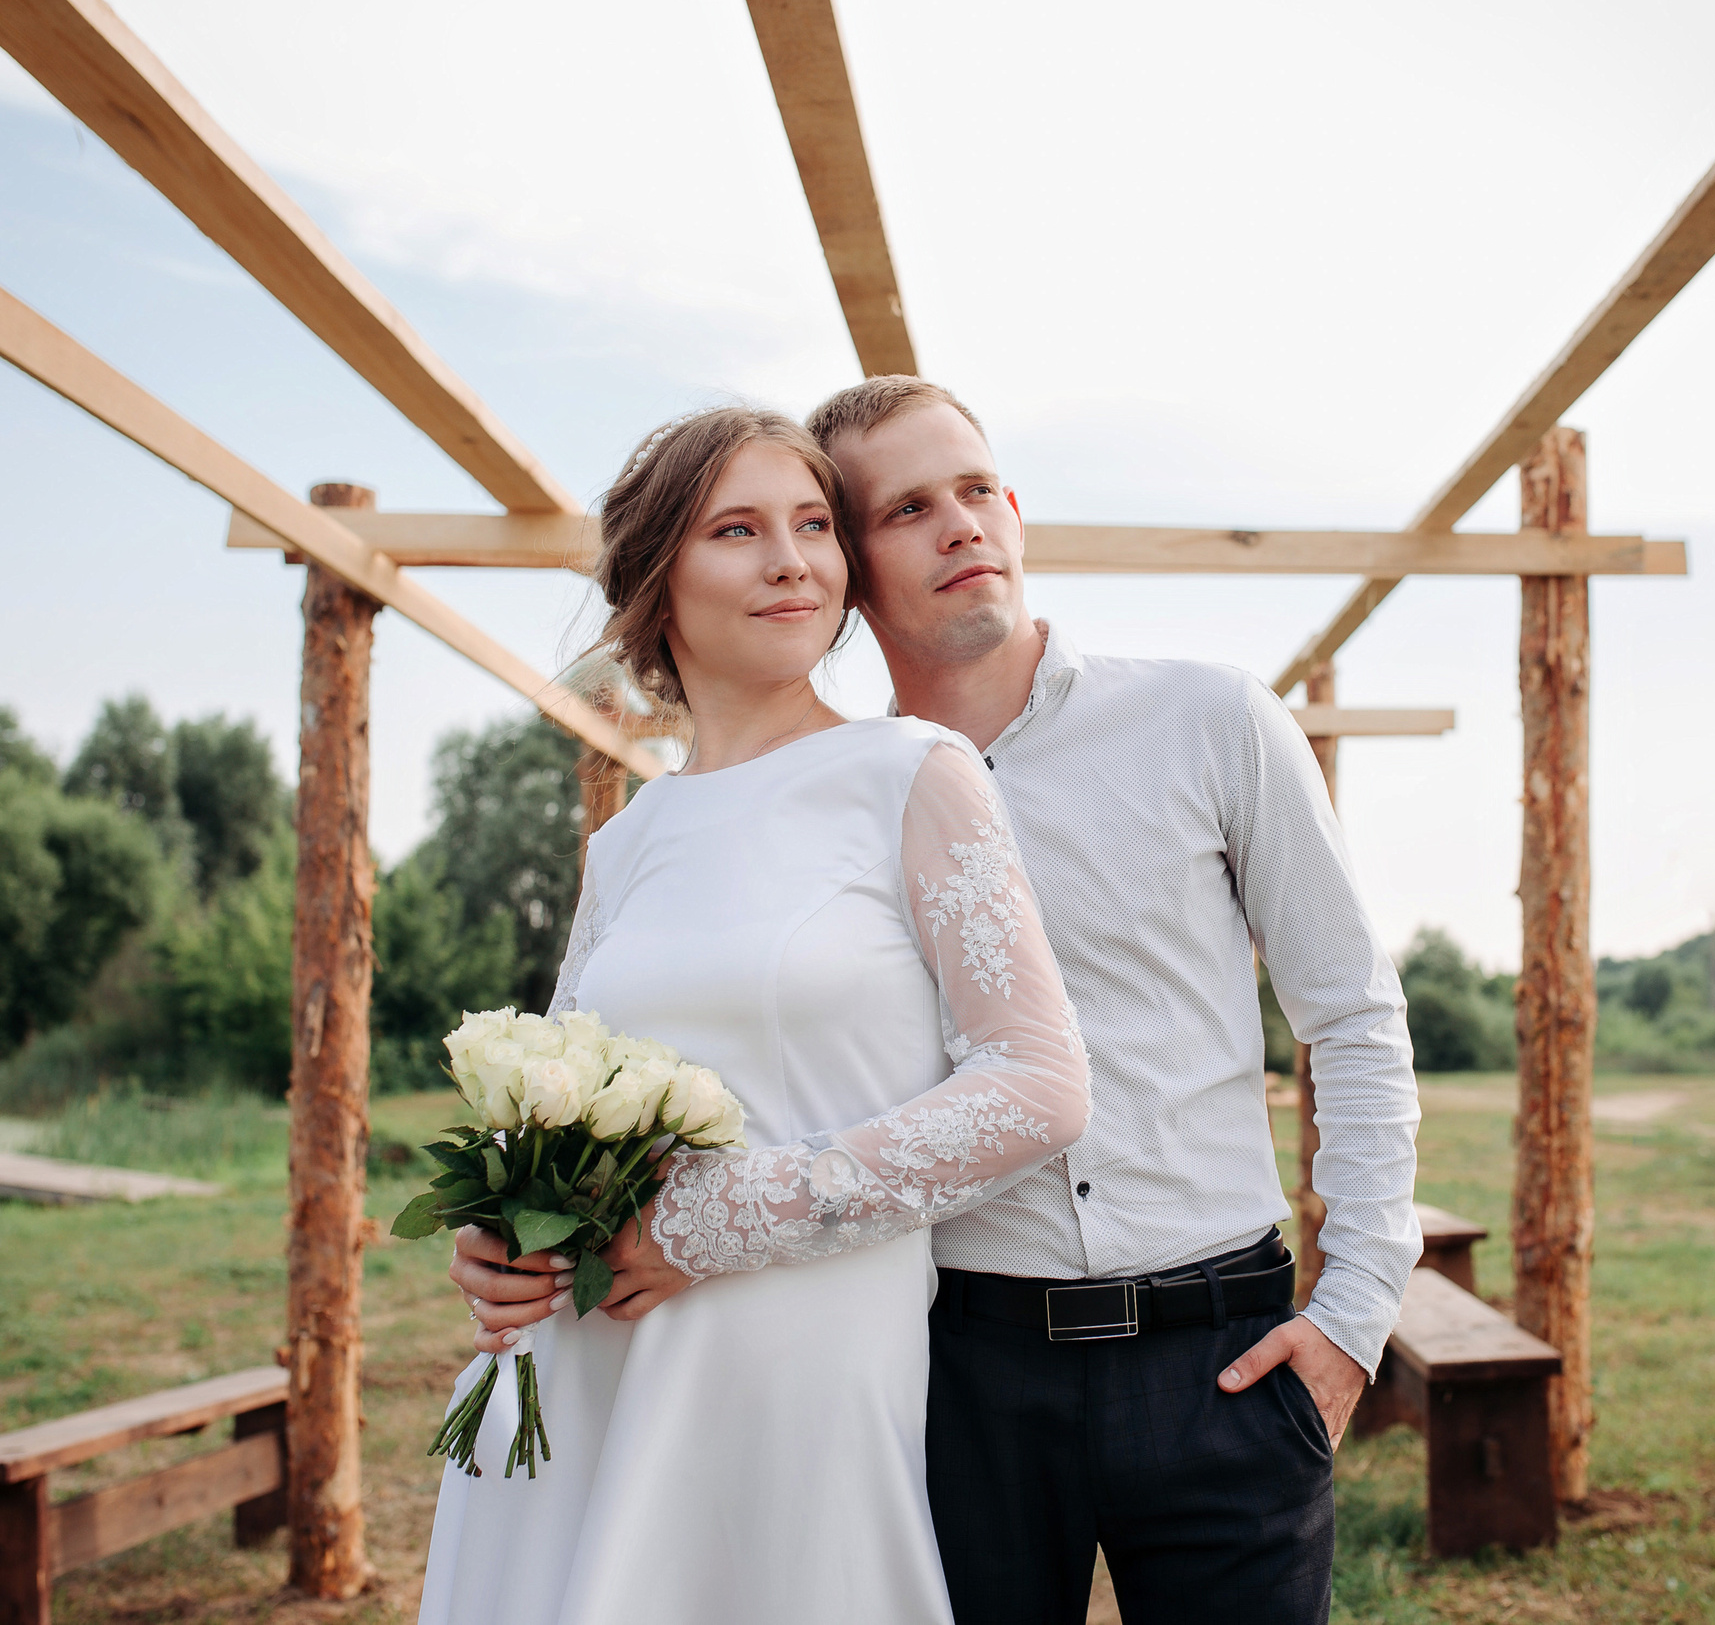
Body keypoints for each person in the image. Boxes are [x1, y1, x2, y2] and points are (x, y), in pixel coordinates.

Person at [458, 379, 1422, 1625]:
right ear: (856, 569)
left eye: (977, 490)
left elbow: (1348, 1015)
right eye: (908, 508)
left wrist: (1352, 1317)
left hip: (1214, 1352)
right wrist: (516, 1221)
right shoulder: (820, 798)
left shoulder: (1211, 721)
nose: (963, 525)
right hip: (954, 1369)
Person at [417, 405, 1089, 1625]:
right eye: (738, 528)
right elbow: (562, 1090)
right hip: (594, 1355)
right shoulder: (626, 844)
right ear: (655, 577)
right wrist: (504, 1236)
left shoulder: (912, 774)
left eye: (815, 526)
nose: (792, 560)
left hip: (804, 1361)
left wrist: (720, 1223)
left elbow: (1038, 1086)